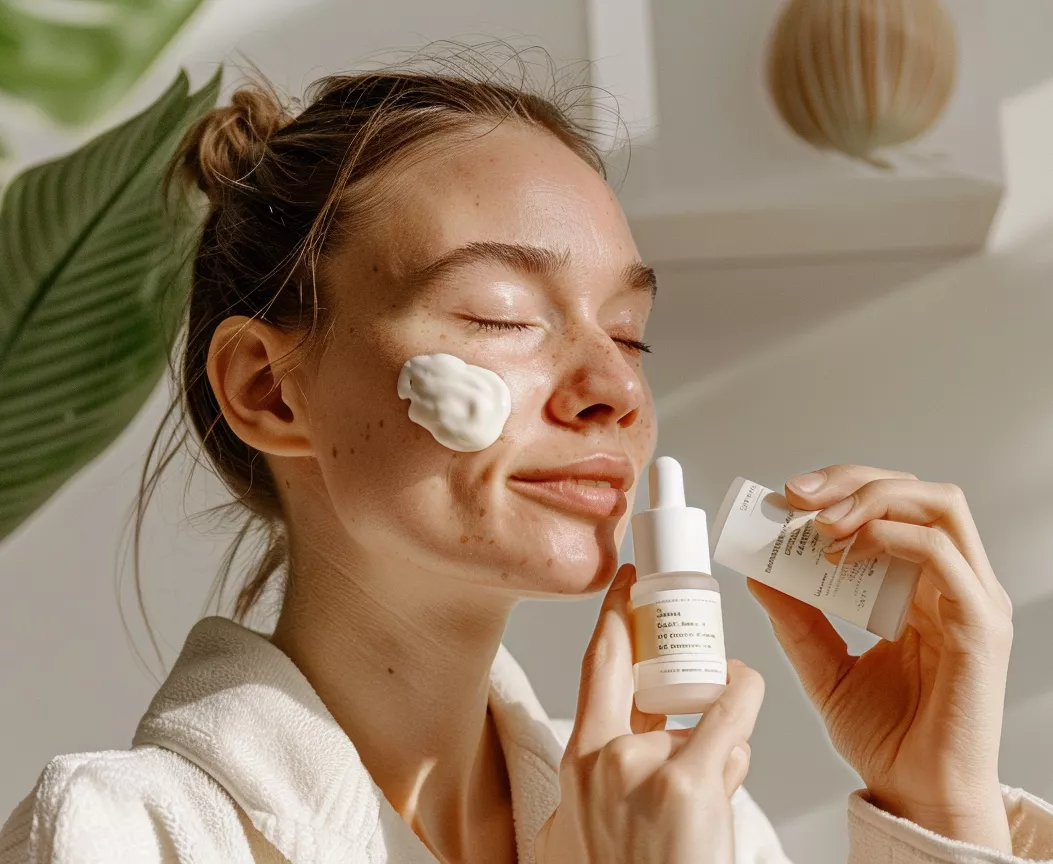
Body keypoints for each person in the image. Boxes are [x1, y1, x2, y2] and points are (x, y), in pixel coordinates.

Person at [2, 59, 1051, 864]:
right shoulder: (116, 834)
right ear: (270, 391)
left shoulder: (694, 814)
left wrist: (939, 811)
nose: (620, 391)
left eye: (630, 333)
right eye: (502, 312)